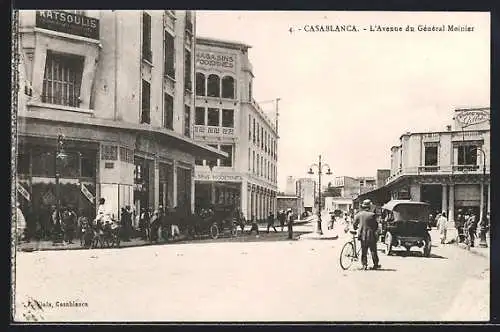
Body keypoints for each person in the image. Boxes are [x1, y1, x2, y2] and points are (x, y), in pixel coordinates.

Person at [352, 199, 380, 270]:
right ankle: (375, 265)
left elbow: (354, 224)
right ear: (369, 207)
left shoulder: (358, 214)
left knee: (364, 251)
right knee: (373, 250)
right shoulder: (372, 215)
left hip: (362, 236)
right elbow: (376, 226)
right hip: (371, 235)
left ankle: (364, 265)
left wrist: (356, 228)